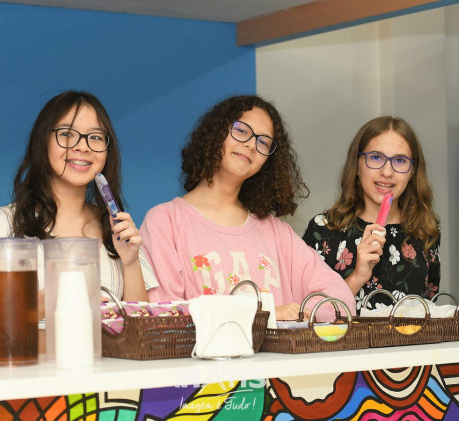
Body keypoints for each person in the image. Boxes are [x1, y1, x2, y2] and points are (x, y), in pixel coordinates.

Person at [140, 95, 355, 321]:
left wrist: (299, 316)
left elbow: (339, 301)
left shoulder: (277, 233)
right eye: (242, 131)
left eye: (263, 143)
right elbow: (165, 316)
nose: (252, 145)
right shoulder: (165, 222)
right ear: (216, 133)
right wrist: (267, 315)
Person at [0, 90, 157, 304]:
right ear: (42, 141)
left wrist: (130, 262)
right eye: (66, 134)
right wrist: (52, 304)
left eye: (95, 137)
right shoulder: (5, 223)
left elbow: (140, 321)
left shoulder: (115, 228)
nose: (82, 146)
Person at [302, 116, 440, 312]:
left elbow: (429, 304)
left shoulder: (426, 230)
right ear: (357, 165)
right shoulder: (323, 228)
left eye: (400, 160)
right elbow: (307, 313)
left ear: (412, 172)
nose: (387, 172)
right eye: (376, 157)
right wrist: (358, 276)